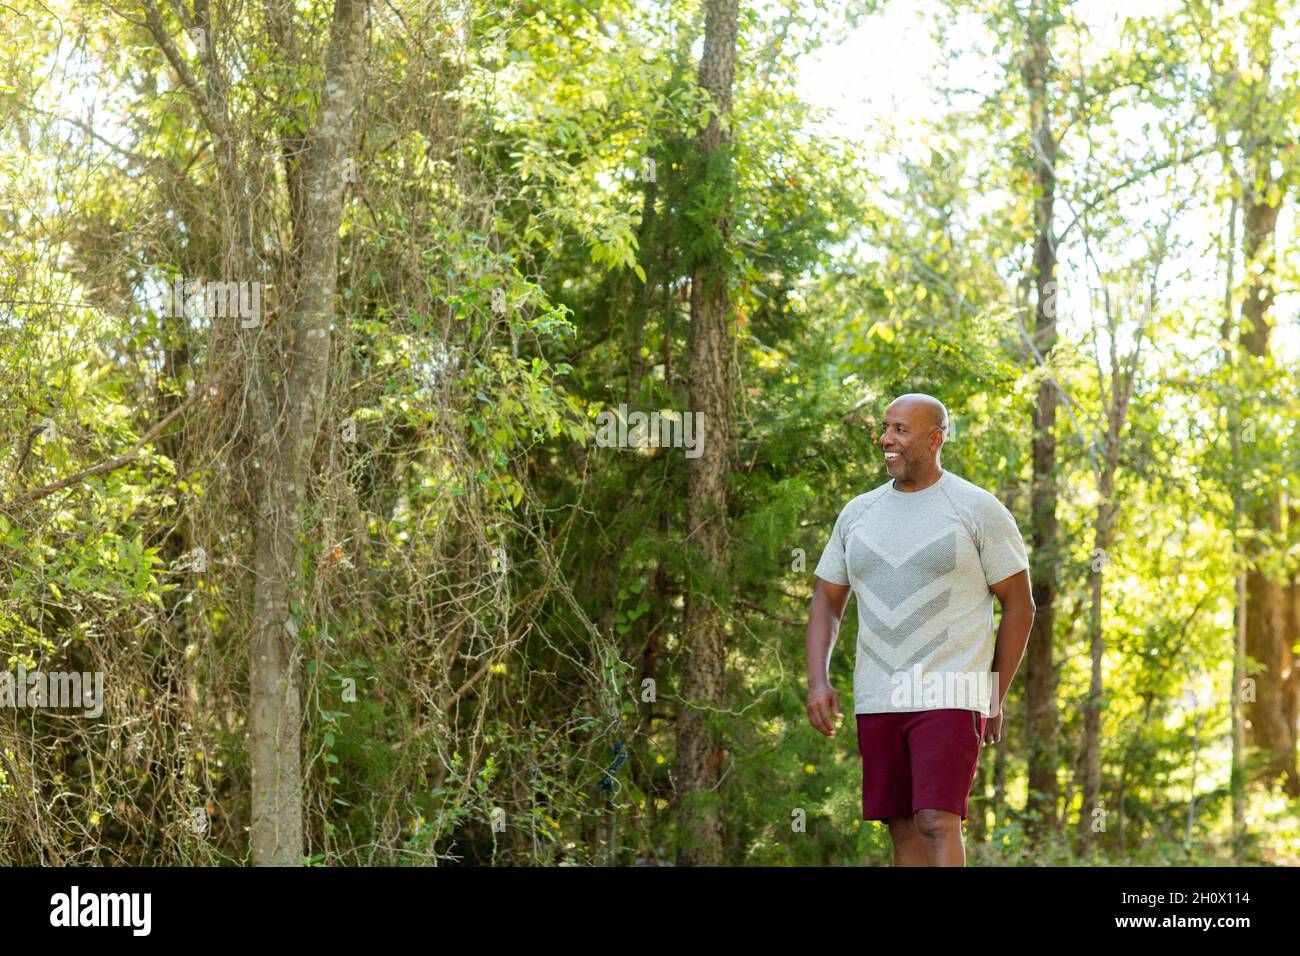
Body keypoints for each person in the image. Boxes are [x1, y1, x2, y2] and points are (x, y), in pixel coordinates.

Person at [804, 393, 1035, 866]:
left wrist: (993, 691)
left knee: (935, 820)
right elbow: (827, 601)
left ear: (936, 439)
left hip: (952, 689)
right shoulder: (857, 513)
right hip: (880, 693)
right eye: (886, 428)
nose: (887, 439)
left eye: (901, 430)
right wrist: (817, 680)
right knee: (903, 827)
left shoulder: (977, 509)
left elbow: (1021, 606)